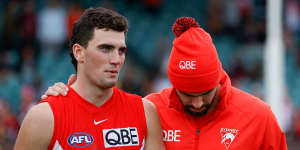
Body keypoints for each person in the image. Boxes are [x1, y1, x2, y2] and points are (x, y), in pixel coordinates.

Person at [42, 17, 288, 150]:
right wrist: (69, 93)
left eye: (205, 92)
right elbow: (96, 116)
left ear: (219, 79)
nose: (198, 103)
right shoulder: (150, 110)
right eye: (187, 94)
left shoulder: (259, 117)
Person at [14, 7, 164, 150]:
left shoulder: (145, 112)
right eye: (106, 48)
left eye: (121, 50)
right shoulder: (43, 117)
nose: (116, 59)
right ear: (79, 52)